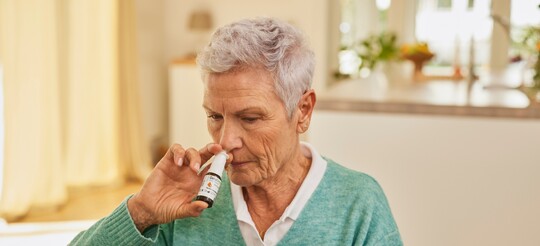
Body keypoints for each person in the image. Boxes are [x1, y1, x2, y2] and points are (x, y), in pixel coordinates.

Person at [70, 17, 402, 245]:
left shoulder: (359, 205)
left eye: (251, 118)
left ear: (303, 111)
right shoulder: (186, 204)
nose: (225, 142)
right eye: (215, 116)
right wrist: (141, 211)